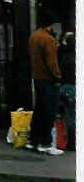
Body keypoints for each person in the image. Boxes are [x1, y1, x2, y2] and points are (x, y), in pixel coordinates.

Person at [27, 10, 63, 155]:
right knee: (49, 111)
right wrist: (58, 77)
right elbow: (52, 62)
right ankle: (45, 143)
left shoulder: (34, 36)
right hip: (48, 80)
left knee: (39, 110)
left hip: (37, 77)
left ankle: (33, 140)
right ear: (51, 24)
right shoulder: (48, 39)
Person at [58, 32, 75, 151]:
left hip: (66, 87)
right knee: (71, 116)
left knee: (68, 115)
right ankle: (72, 143)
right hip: (71, 87)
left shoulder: (65, 55)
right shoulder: (73, 56)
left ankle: (69, 141)